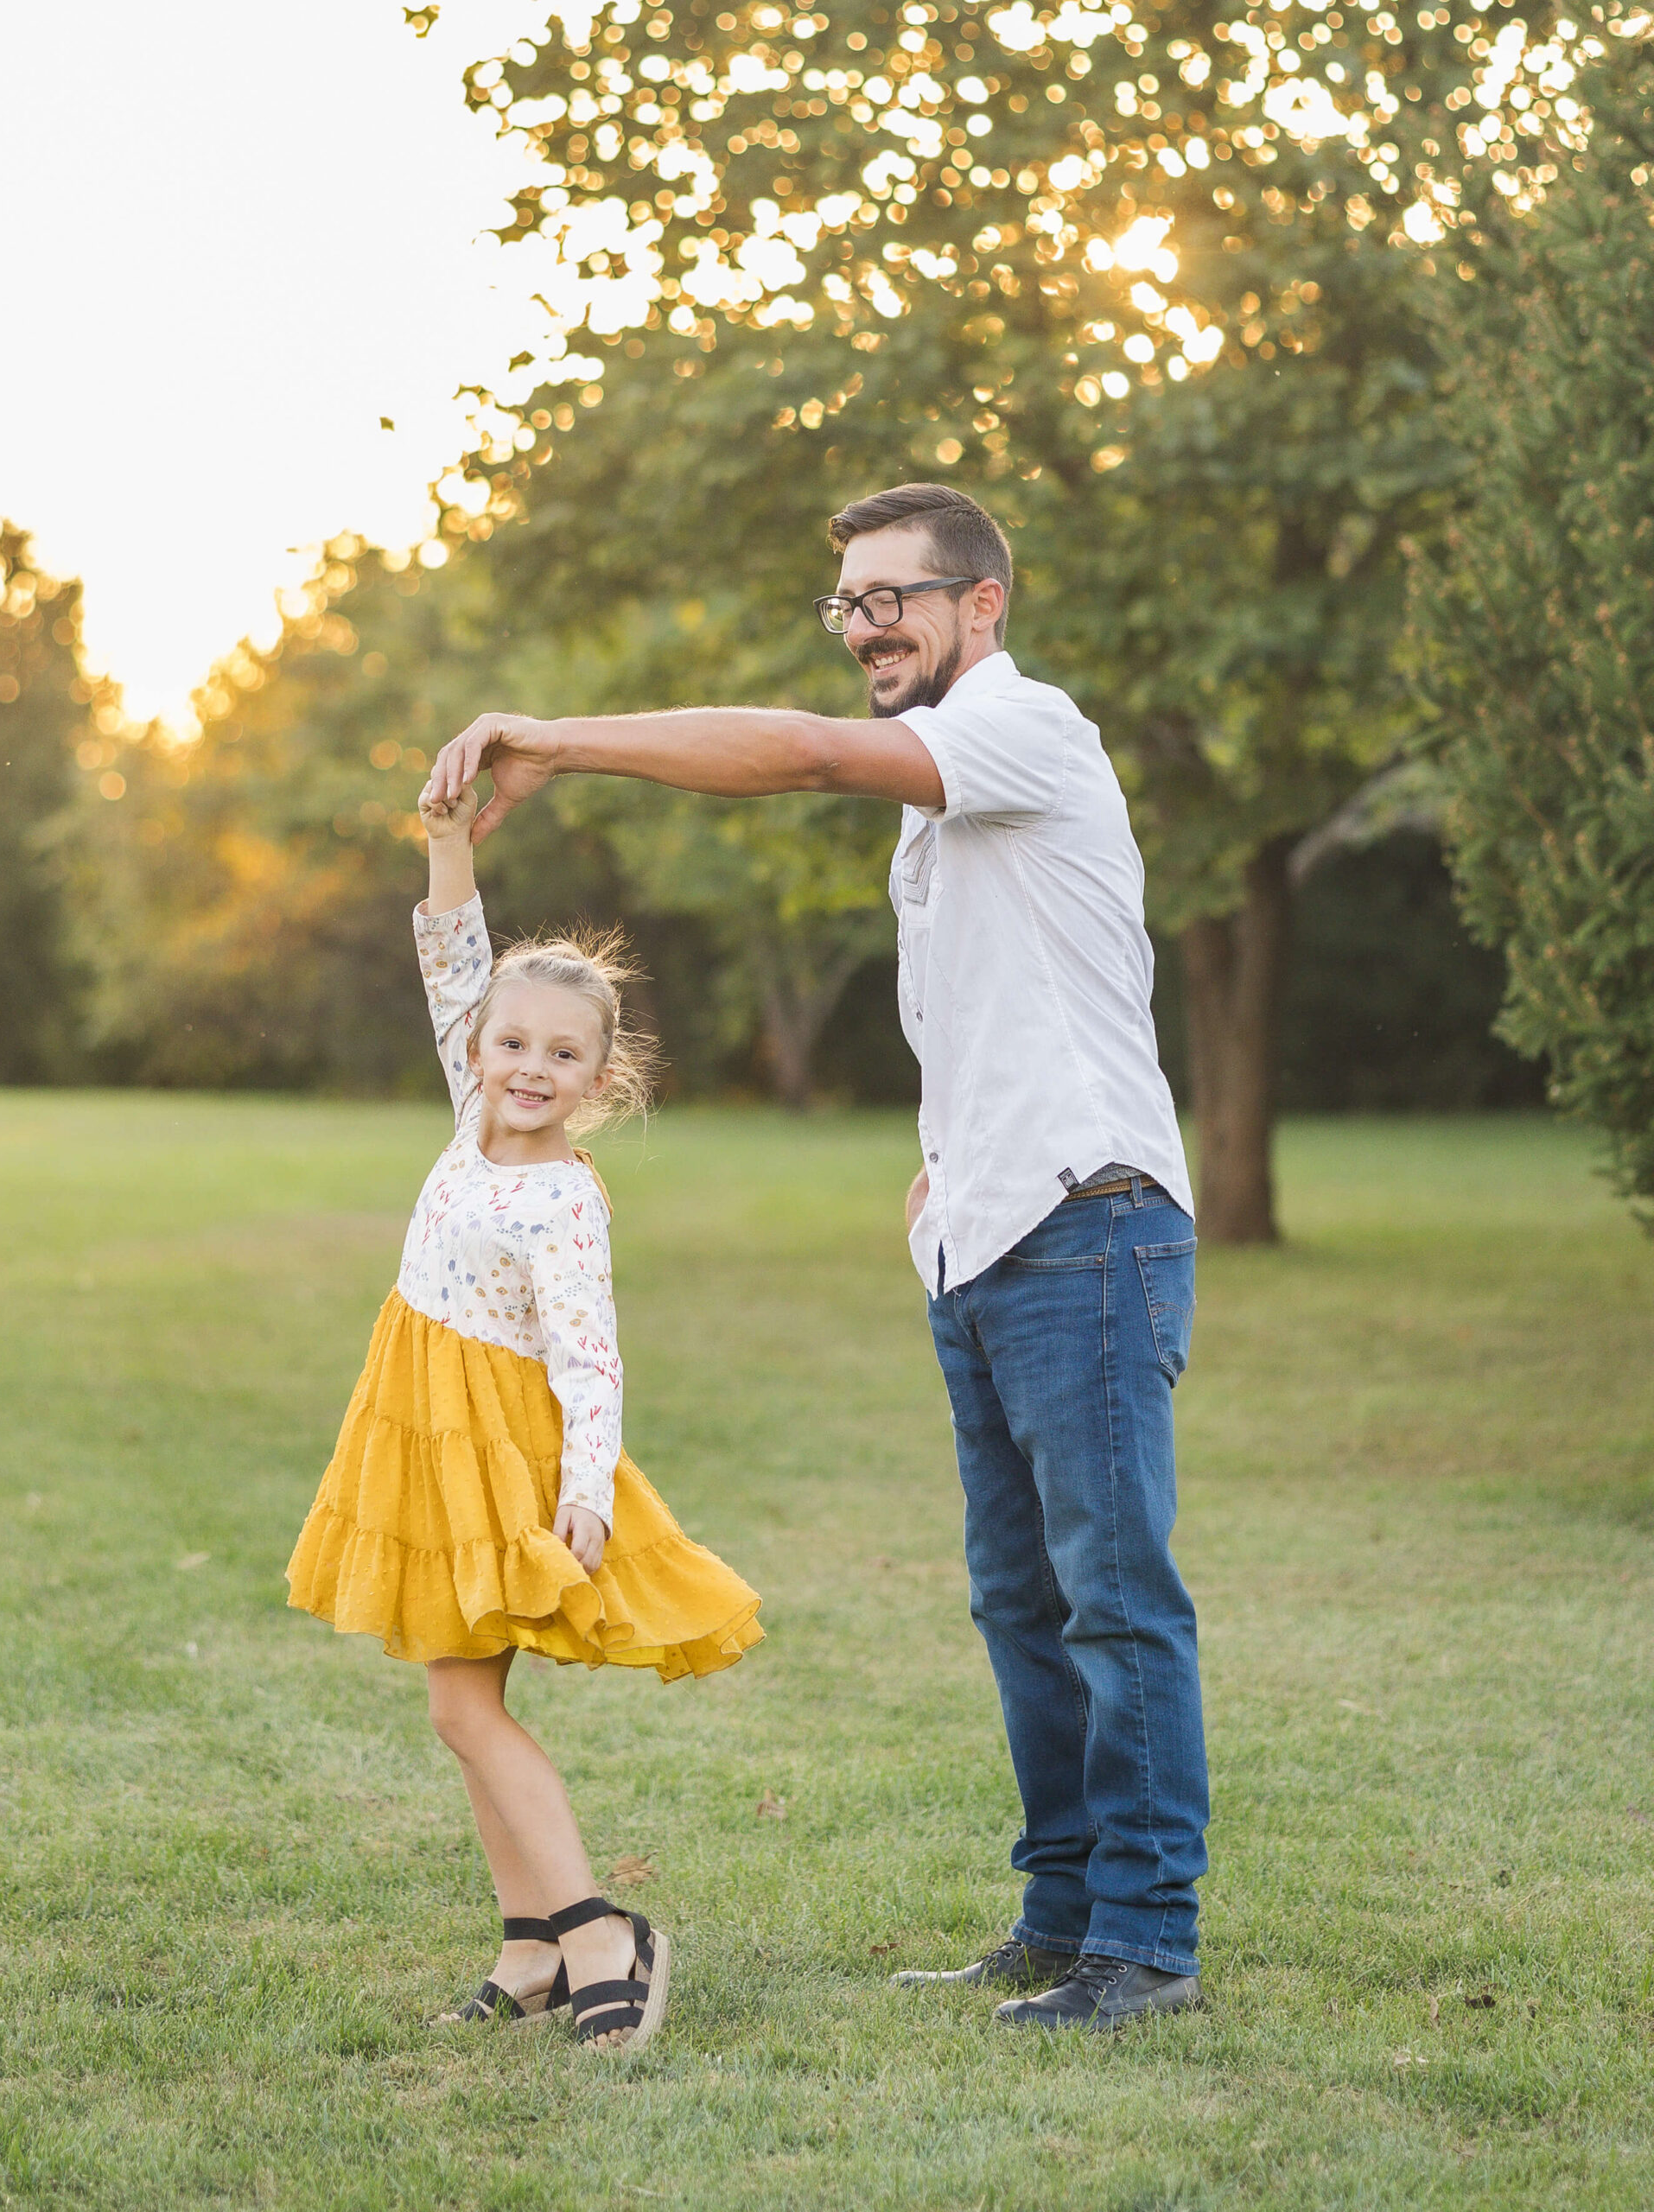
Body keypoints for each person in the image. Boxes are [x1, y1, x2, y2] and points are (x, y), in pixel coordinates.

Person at [423, 480, 1209, 2035]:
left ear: (982, 603)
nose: (865, 629)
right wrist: (946, 1182)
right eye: (847, 603)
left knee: (1114, 1601)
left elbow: (791, 754)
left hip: (1092, 1226)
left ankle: (1147, 1943)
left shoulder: (1024, 727)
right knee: (1023, 1603)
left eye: (892, 597)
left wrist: (564, 740)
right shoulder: (946, 804)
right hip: (989, 1241)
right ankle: (1060, 1917)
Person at [284, 767, 763, 2053]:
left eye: (563, 1054)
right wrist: (447, 844)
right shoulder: (469, 1114)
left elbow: (591, 1360)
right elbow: (453, 957)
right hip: (421, 1430)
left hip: (497, 1451)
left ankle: (603, 1931)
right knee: (458, 1705)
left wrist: (583, 1491)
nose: (530, 1068)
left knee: (461, 1709)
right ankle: (531, 1945)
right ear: (480, 1052)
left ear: (603, 1076)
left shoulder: (565, 1200)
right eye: (512, 1044)